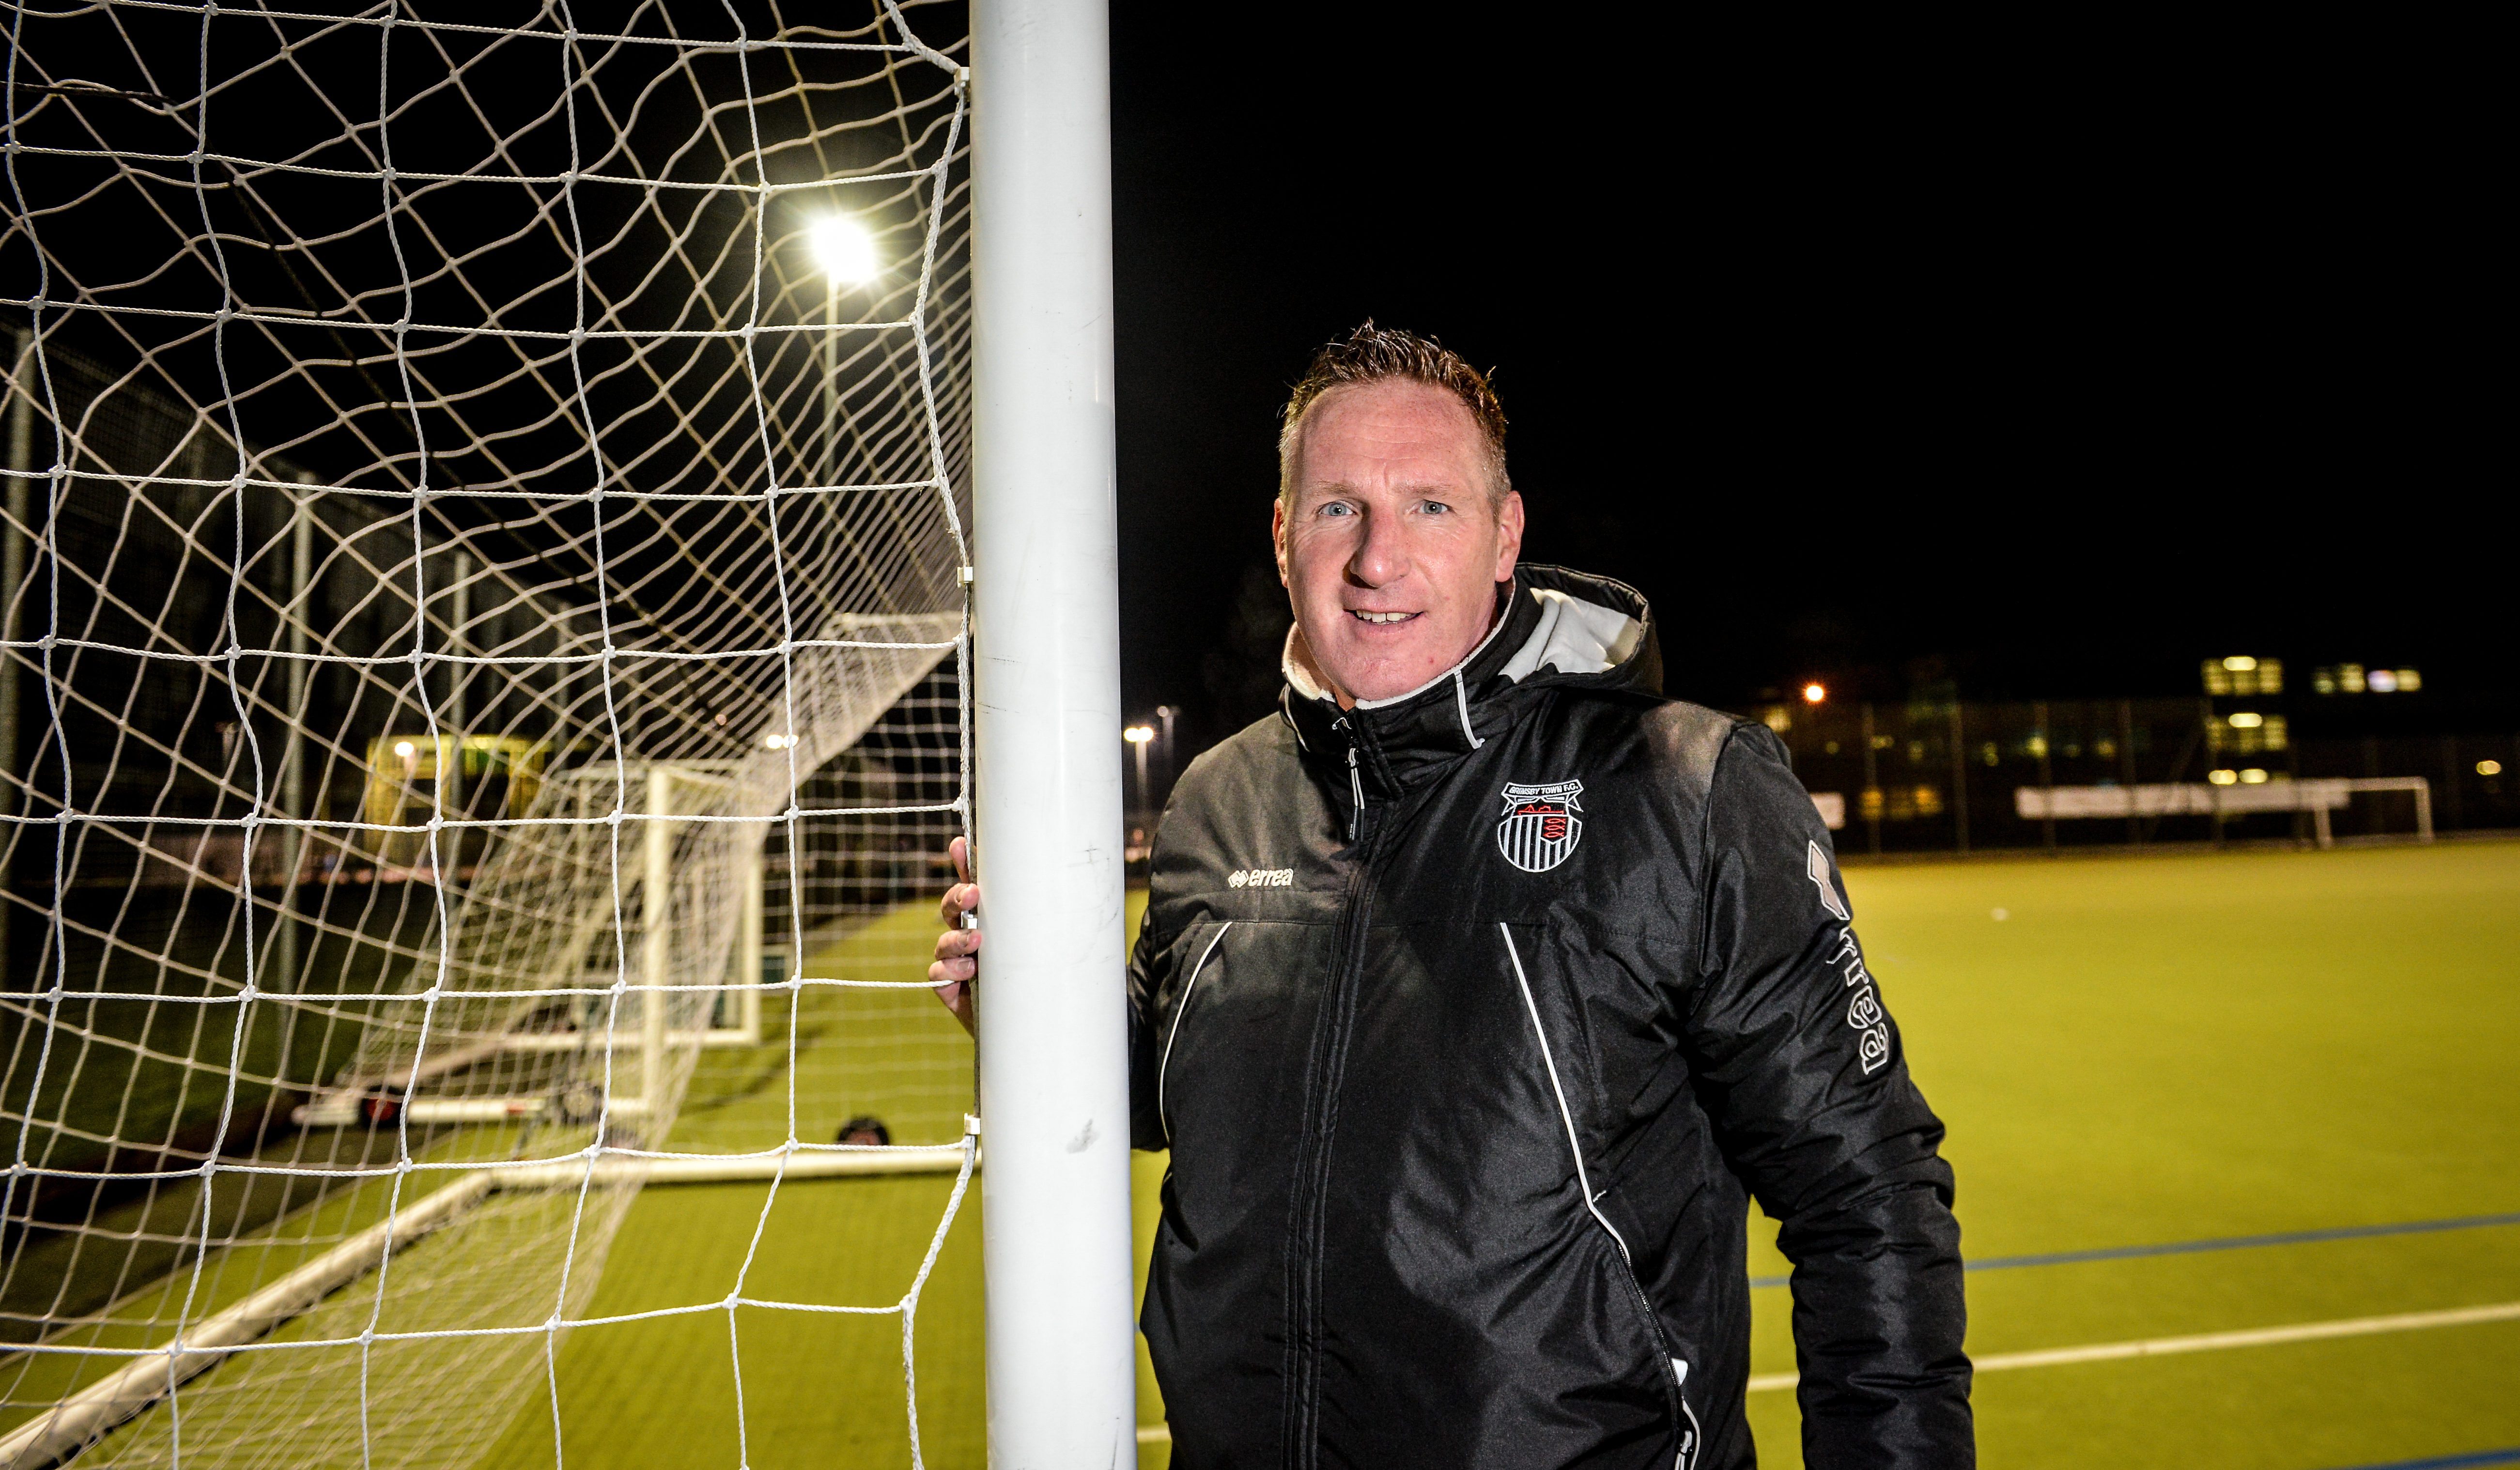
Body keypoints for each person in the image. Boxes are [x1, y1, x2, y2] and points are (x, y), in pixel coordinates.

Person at [930, 323, 1971, 1468]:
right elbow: (1167, 1101)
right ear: (1282, 537)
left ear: (1503, 536)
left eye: (1429, 505)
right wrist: (1023, 1014)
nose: (1378, 559)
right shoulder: (1216, 801)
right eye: (1337, 508)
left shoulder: (1683, 789)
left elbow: (1866, 1194)